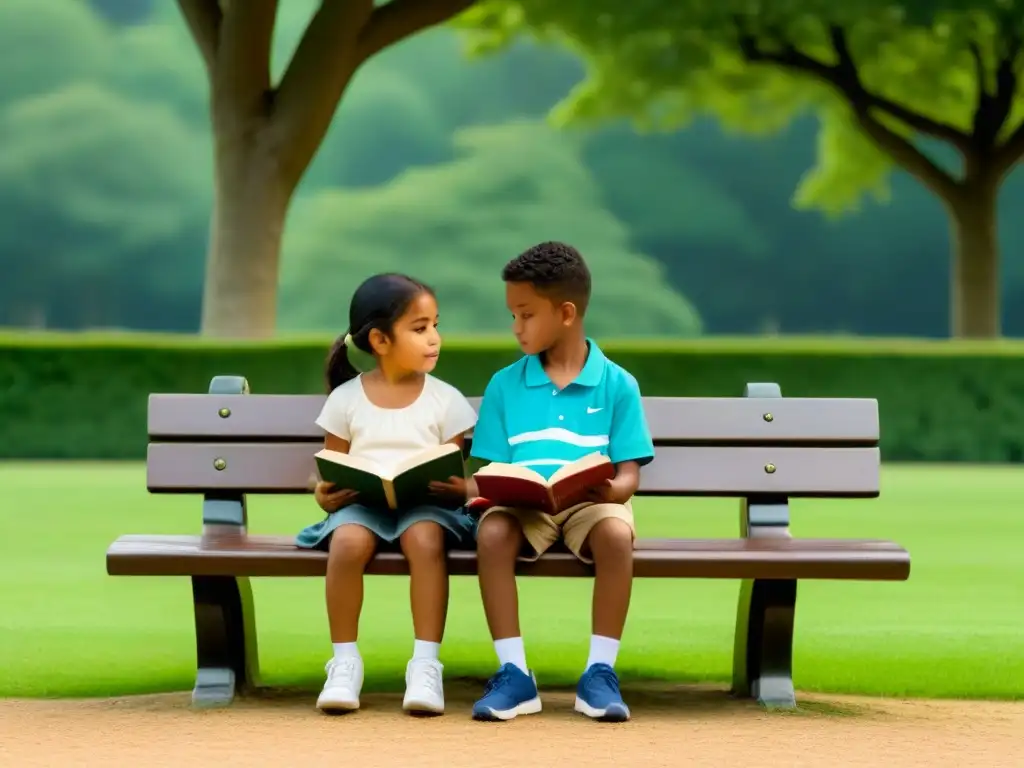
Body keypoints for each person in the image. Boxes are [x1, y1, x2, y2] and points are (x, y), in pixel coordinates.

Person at [436, 242, 655, 723]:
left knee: (617, 534)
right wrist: (471, 491)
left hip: (591, 503)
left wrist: (614, 491)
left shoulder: (617, 384)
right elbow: (489, 468)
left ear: (567, 313)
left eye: (526, 314)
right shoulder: (504, 385)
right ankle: (514, 673)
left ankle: (600, 672)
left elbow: (629, 473)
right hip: (522, 504)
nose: (516, 327)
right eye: (513, 314)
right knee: (492, 533)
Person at [295, 273, 478, 717]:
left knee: (424, 539)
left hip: (429, 508)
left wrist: (458, 488)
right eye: (419, 328)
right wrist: (324, 495)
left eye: (435, 324)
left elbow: (459, 468)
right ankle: (343, 661)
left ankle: (425, 663)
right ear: (379, 339)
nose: (434, 338)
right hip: (363, 507)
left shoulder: (445, 400)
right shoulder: (345, 399)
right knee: (347, 542)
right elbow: (331, 469)